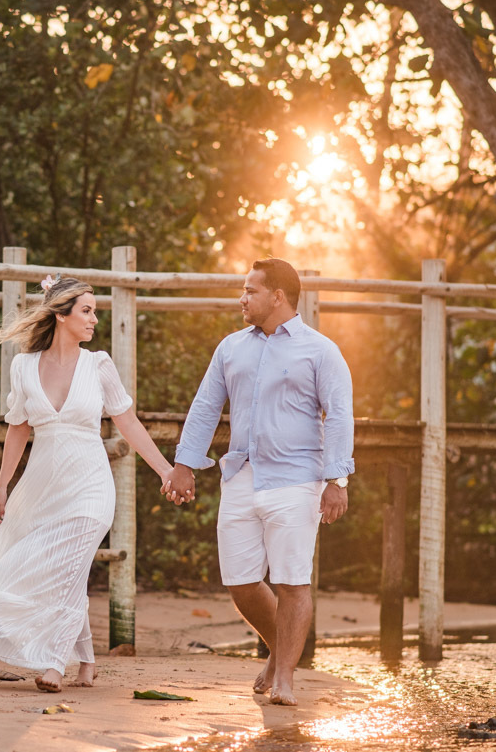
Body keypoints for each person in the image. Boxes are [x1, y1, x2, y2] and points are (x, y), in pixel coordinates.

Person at [0, 275, 173, 693]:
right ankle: (87, 662)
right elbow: (17, 429)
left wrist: (165, 470)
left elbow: (128, 422)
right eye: (87, 311)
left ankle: (54, 663)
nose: (94, 320)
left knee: (68, 566)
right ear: (61, 315)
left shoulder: (98, 364)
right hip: (43, 489)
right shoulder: (24, 367)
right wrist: (2, 486)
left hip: (91, 486)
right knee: (68, 569)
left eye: (95, 312)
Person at [162, 258, 354, 707]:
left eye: (251, 291)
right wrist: (185, 464)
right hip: (241, 476)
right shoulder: (231, 347)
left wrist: (337, 480)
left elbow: (339, 415)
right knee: (240, 581)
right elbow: (206, 406)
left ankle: (284, 677)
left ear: (277, 296)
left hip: (297, 479)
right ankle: (278, 650)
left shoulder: (321, 350)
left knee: (292, 581)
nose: (242, 298)